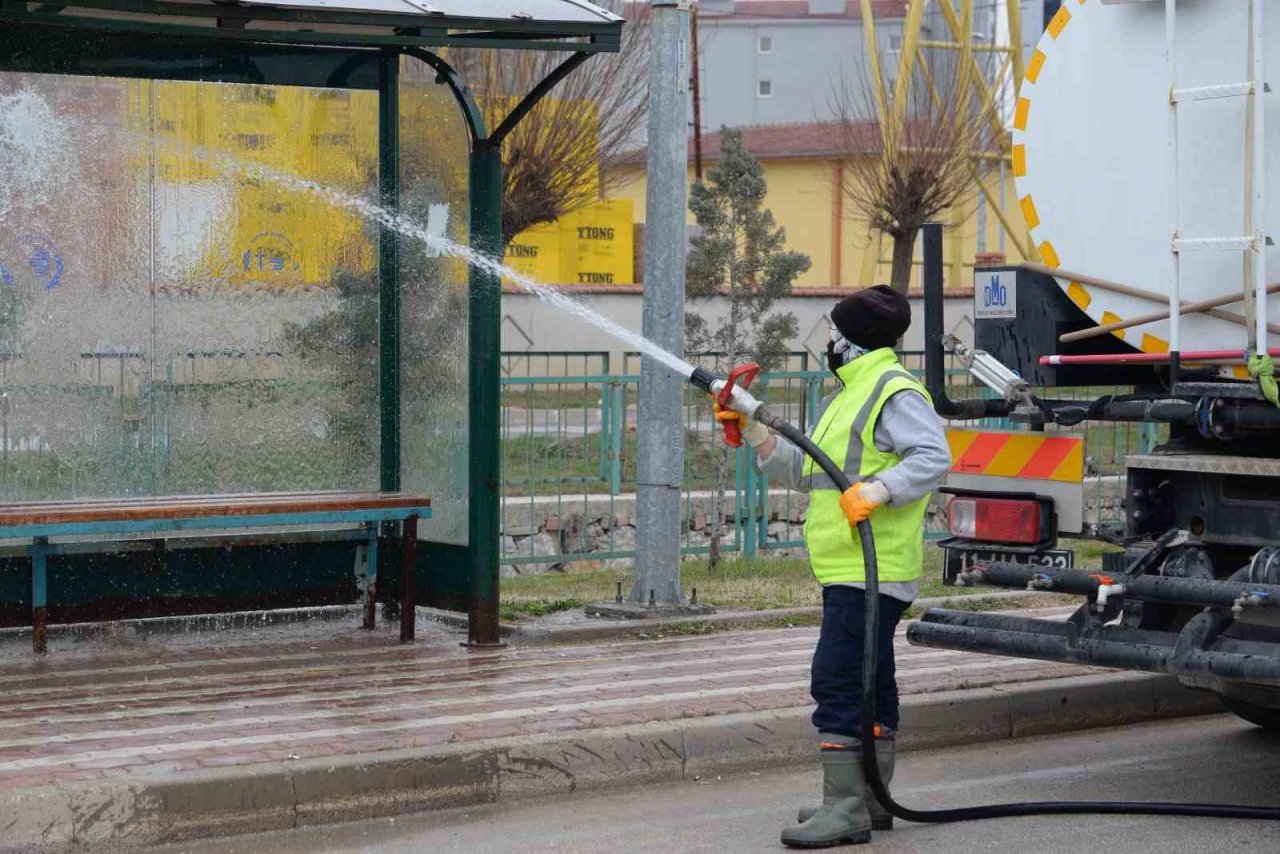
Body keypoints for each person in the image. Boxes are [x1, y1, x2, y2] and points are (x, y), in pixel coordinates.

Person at [713, 285, 952, 848]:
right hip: (847, 566)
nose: (827, 341)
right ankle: (869, 798)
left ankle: (844, 805)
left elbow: (933, 455)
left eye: (832, 333)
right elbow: (808, 471)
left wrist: (880, 490)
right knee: (871, 679)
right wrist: (753, 430)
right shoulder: (851, 392)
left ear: (850, 340)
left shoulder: (893, 391)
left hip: (871, 568)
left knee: (839, 678)